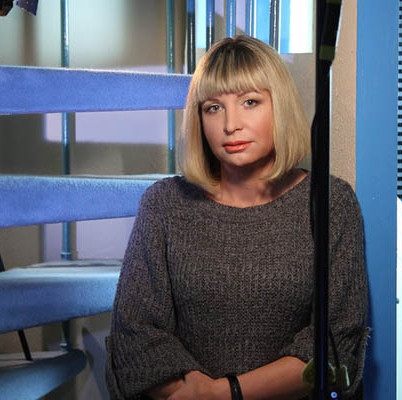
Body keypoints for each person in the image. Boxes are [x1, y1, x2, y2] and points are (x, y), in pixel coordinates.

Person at [106, 35, 368, 400]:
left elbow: (335, 340)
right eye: (213, 107)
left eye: (250, 102)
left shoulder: (330, 201)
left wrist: (223, 394)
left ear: (280, 106)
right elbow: (135, 334)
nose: (231, 124)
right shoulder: (164, 204)